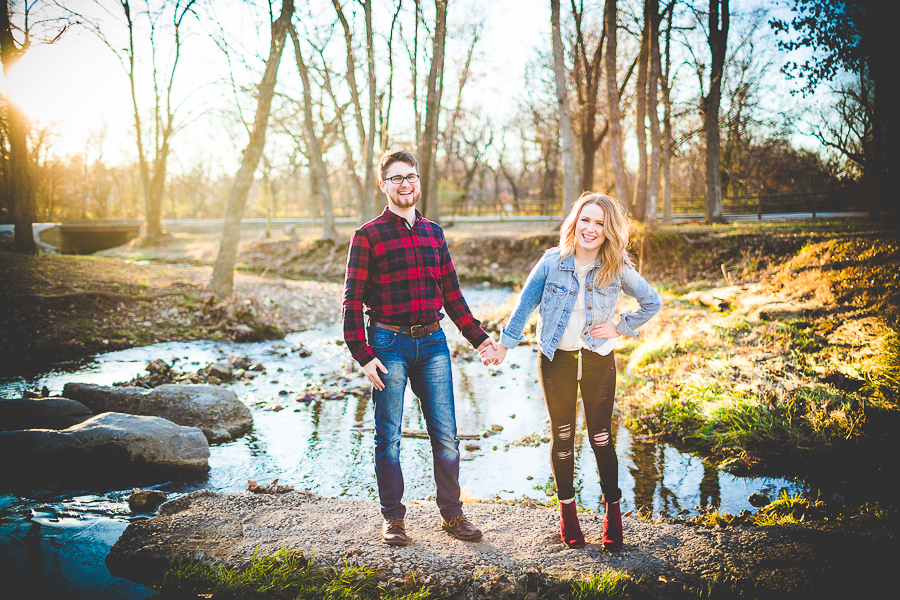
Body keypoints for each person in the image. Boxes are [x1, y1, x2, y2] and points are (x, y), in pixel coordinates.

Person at [479, 192, 662, 550]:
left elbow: (652, 301)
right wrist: (504, 346)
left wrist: (620, 327)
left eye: (600, 223)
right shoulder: (551, 261)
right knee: (563, 438)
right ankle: (568, 513)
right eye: (586, 220)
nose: (591, 229)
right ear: (574, 221)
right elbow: (524, 306)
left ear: (609, 231)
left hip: (597, 359)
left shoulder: (617, 266)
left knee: (601, 438)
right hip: (556, 360)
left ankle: (613, 512)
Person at [343, 149, 499, 547]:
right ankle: (393, 519)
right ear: (384, 185)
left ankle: (452, 513)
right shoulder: (368, 235)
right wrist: (363, 355)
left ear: (418, 181)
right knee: (388, 437)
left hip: (432, 342)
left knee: (446, 435)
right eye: (395, 178)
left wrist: (480, 339)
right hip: (387, 343)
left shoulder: (434, 233)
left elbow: (452, 294)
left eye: (409, 176)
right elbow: (351, 301)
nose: (404, 183)